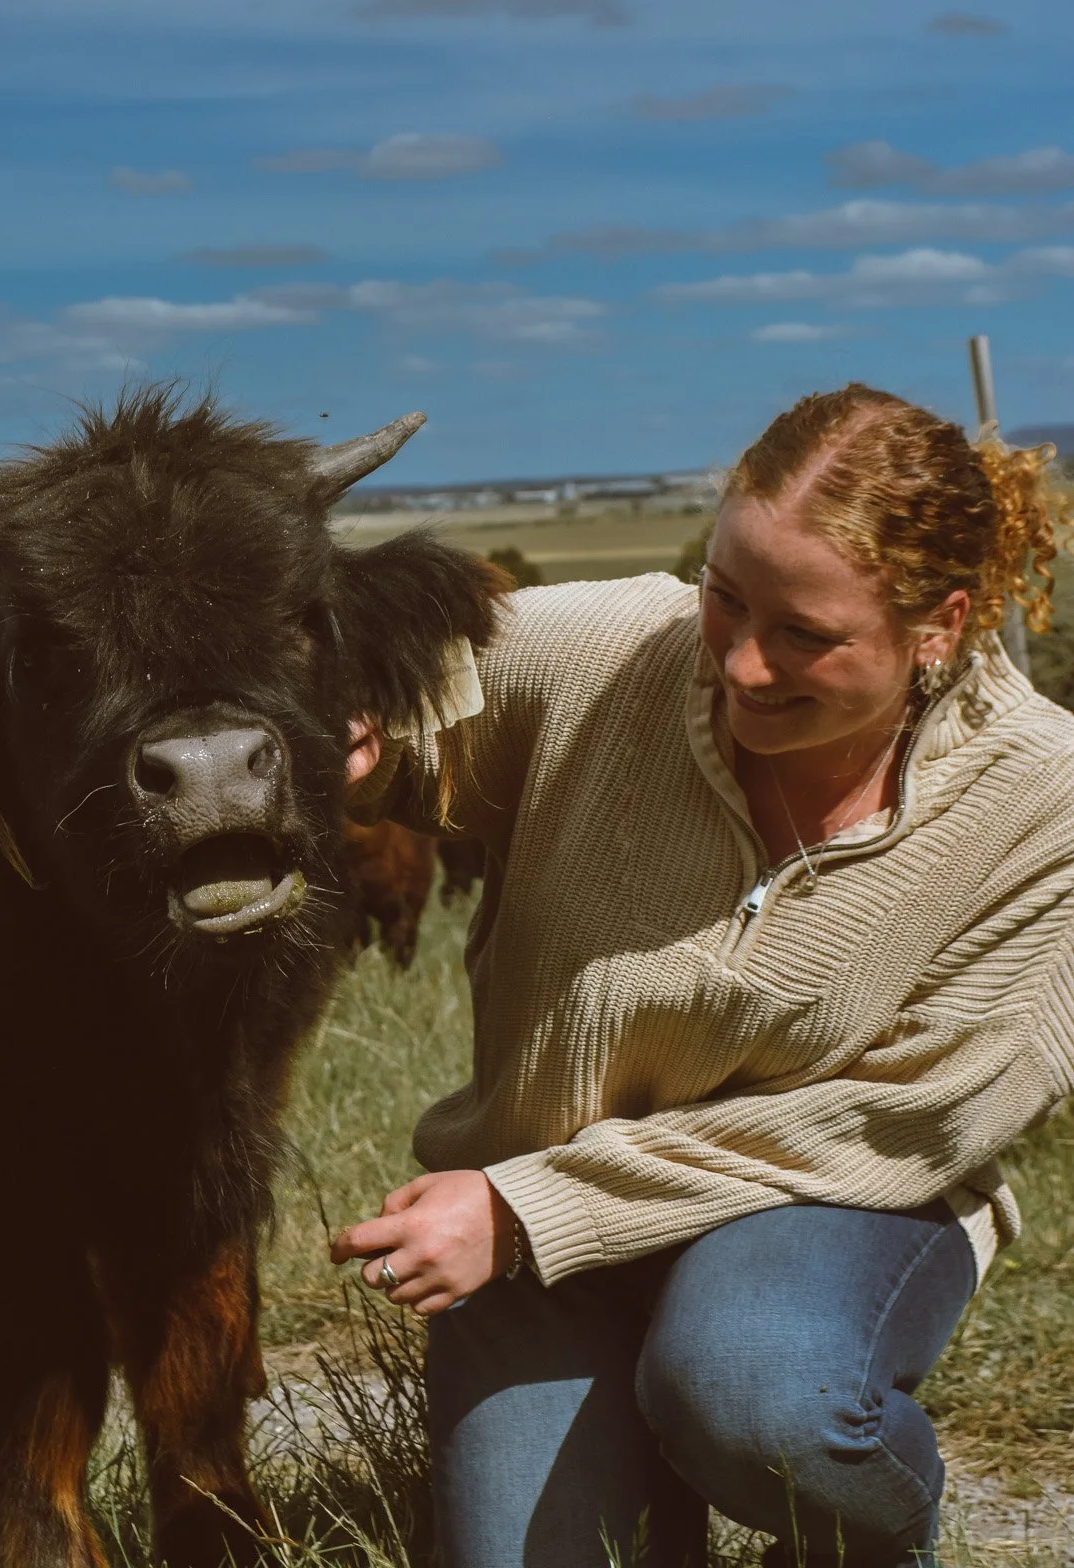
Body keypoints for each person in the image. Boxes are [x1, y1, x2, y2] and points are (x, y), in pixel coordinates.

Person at [331, 384, 1074, 1568]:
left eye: (803, 634)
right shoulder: (607, 651)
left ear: (940, 623)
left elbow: (900, 1117)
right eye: (724, 595)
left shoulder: (1043, 804)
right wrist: (346, 729)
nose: (737, 661)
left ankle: (870, 1536)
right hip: (541, 1226)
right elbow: (409, 703)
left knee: (757, 1395)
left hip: (823, 1201)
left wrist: (531, 1210)